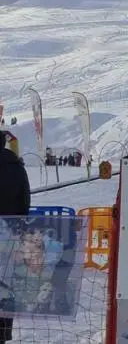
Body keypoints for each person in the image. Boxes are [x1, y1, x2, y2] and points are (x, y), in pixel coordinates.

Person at [0, 133, 30, 342]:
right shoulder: (17, 167)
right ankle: (2, 333)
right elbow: (24, 202)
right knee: (5, 284)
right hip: (9, 235)